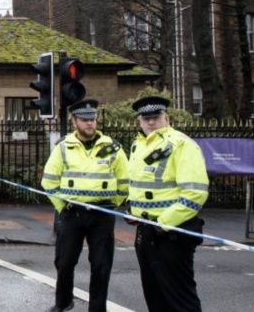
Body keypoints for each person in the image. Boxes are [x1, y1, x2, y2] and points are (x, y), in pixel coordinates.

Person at [41, 99, 129, 312]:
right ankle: (63, 302)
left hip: (102, 215)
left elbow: (125, 181)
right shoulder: (63, 147)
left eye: (93, 119)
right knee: (64, 263)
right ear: (74, 122)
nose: (90, 123)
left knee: (101, 265)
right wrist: (63, 207)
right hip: (72, 214)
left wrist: (112, 205)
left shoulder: (112, 148)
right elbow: (49, 181)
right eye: (84, 119)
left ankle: (97, 309)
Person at [127, 96, 209, 312]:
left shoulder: (181, 144)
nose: (151, 122)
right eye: (146, 119)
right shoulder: (139, 145)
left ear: (167, 118)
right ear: (140, 121)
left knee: (180, 298)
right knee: (154, 296)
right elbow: (139, 185)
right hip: (147, 231)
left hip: (172, 233)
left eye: (155, 117)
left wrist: (163, 223)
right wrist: (132, 209)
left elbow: (195, 193)